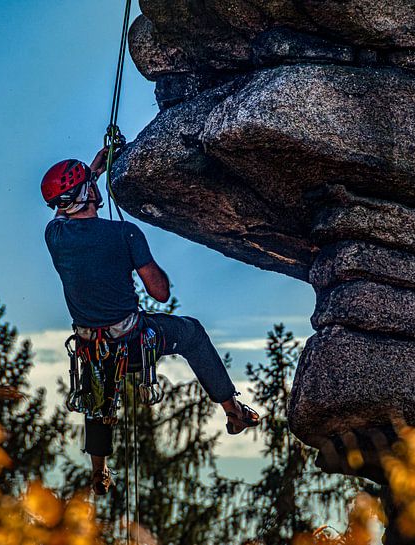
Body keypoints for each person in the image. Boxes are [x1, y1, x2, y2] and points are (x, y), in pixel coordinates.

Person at [41, 146, 259, 495]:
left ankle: (99, 470)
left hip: (93, 345)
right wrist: (138, 258)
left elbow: (69, 210)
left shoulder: (55, 237)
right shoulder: (124, 235)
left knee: (99, 390)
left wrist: (92, 173)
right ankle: (233, 409)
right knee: (192, 335)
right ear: (87, 192)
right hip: (133, 340)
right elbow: (159, 293)